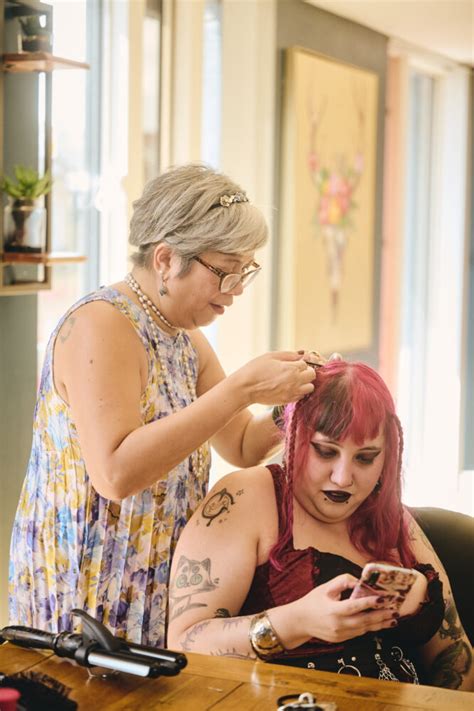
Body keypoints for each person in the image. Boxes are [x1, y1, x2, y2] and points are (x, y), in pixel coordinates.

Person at [9, 164, 319, 646]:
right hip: (90, 581)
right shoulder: (101, 324)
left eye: (245, 271)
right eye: (226, 271)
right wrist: (240, 388)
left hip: (156, 575)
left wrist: (296, 394)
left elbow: (239, 443)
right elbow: (114, 473)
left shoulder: (183, 338)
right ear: (166, 259)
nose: (236, 289)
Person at [168, 360, 474, 690]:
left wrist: (417, 605)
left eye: (365, 457)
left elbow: (457, 660)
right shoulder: (245, 496)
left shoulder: (395, 520)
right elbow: (185, 644)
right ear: (294, 436)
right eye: (326, 451)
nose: (342, 478)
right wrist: (296, 622)